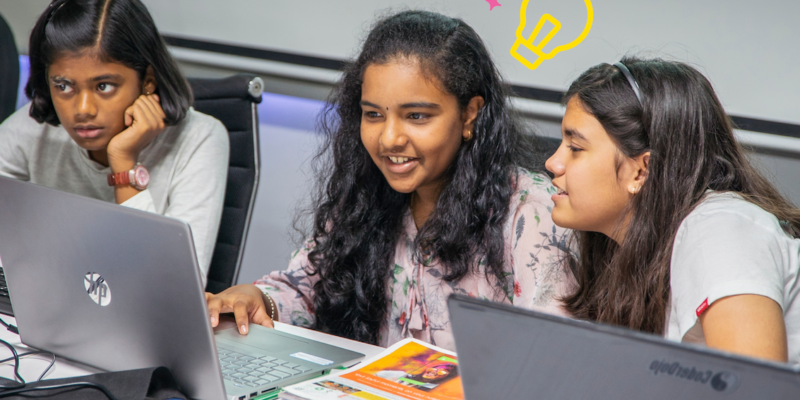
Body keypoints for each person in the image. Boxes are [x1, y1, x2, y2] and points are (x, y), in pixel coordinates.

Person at [206, 10, 574, 350]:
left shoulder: (534, 215)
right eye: (373, 114)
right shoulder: (367, 194)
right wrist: (258, 300)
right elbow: (304, 290)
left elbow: (548, 357)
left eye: (416, 116)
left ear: (469, 115)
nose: (388, 139)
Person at [546, 57, 800, 364]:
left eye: (575, 148)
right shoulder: (633, 255)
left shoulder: (720, 230)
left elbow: (753, 388)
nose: (553, 163)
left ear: (641, 171)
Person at [0, 0, 229, 281]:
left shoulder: (199, 139)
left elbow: (170, 285)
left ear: (148, 80)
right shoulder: (34, 127)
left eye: (104, 86)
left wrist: (122, 161)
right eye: (63, 86)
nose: (83, 108)